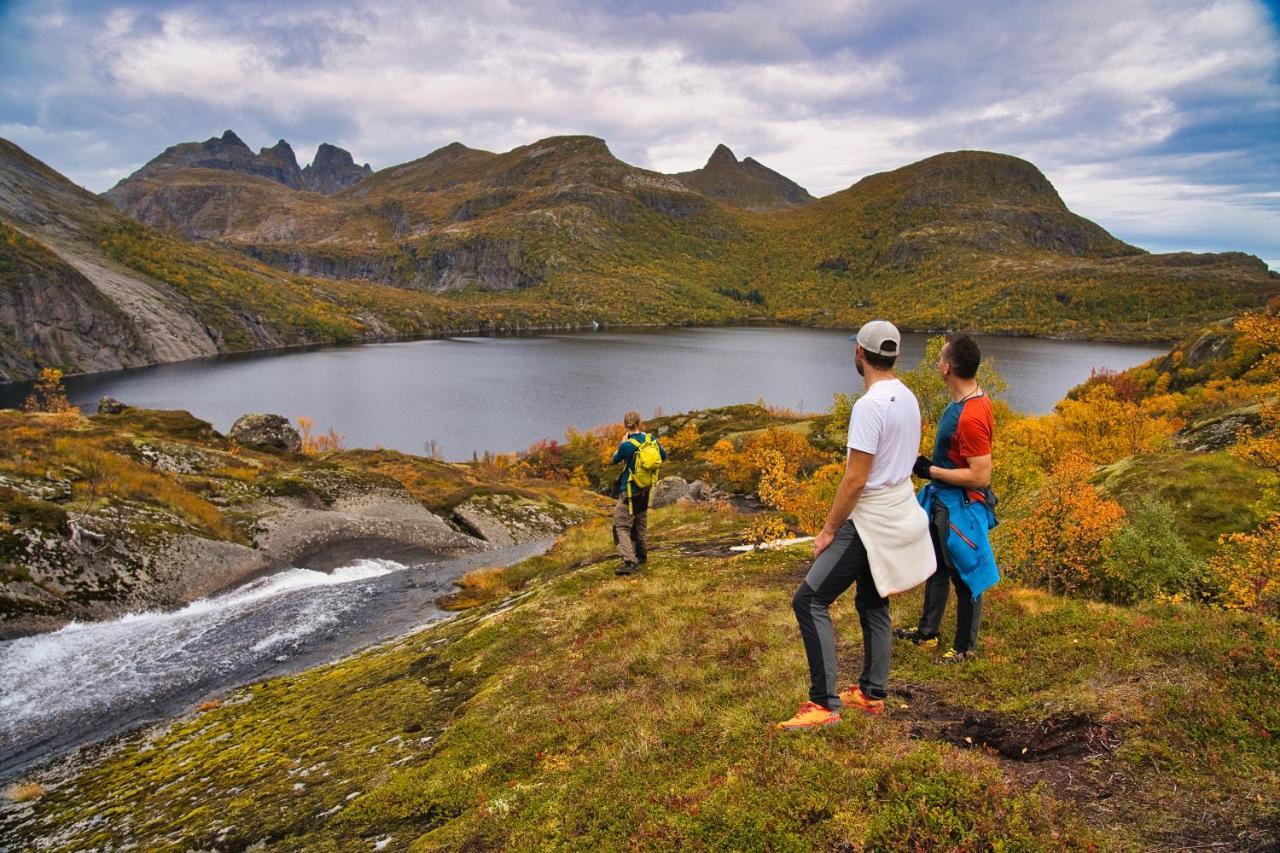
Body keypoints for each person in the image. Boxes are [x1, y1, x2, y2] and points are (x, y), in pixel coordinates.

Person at [777, 321, 936, 731]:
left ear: (860, 355)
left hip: (869, 519)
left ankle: (823, 704)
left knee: (808, 600)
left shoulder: (869, 406)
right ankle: (871, 693)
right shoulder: (907, 397)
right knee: (872, 599)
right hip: (899, 510)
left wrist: (829, 529)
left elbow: (856, 478)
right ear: (895, 356)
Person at [896, 332, 999, 663]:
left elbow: (981, 475)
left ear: (948, 368)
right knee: (937, 565)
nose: (938, 361)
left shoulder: (971, 415)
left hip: (960, 506)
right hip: (944, 500)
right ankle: (928, 633)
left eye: (941, 357)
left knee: (964, 572)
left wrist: (931, 472)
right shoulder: (962, 402)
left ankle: (965, 649)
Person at [610, 411, 667, 576]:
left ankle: (629, 562)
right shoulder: (651, 440)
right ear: (639, 423)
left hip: (629, 491)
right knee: (640, 522)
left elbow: (614, 459)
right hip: (645, 489)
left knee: (620, 526)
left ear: (625, 425)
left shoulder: (627, 445)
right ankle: (641, 556)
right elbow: (663, 456)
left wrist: (622, 443)